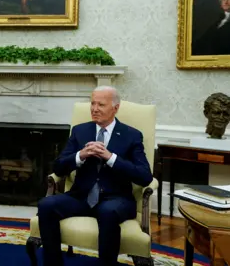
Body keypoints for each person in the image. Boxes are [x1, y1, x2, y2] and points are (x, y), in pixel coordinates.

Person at [37, 86, 153, 266]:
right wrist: (80, 156)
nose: (94, 108)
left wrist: (111, 158)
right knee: (46, 205)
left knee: (107, 212)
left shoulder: (132, 135)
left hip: (116, 198)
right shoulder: (80, 131)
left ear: (115, 108)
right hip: (81, 197)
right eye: (92, 103)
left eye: (101, 104)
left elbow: (145, 176)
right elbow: (58, 168)